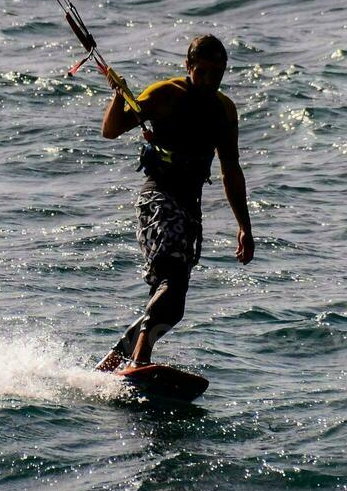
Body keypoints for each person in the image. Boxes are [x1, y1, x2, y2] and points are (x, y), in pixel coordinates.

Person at [95, 33, 254, 371]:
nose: (210, 80)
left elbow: (231, 170)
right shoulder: (165, 94)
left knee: (175, 303)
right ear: (188, 67)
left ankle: (115, 361)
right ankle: (140, 360)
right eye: (203, 72)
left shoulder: (224, 110)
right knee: (174, 282)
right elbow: (111, 130)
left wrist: (244, 227)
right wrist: (117, 95)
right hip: (158, 199)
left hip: (189, 208)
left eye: (217, 73)